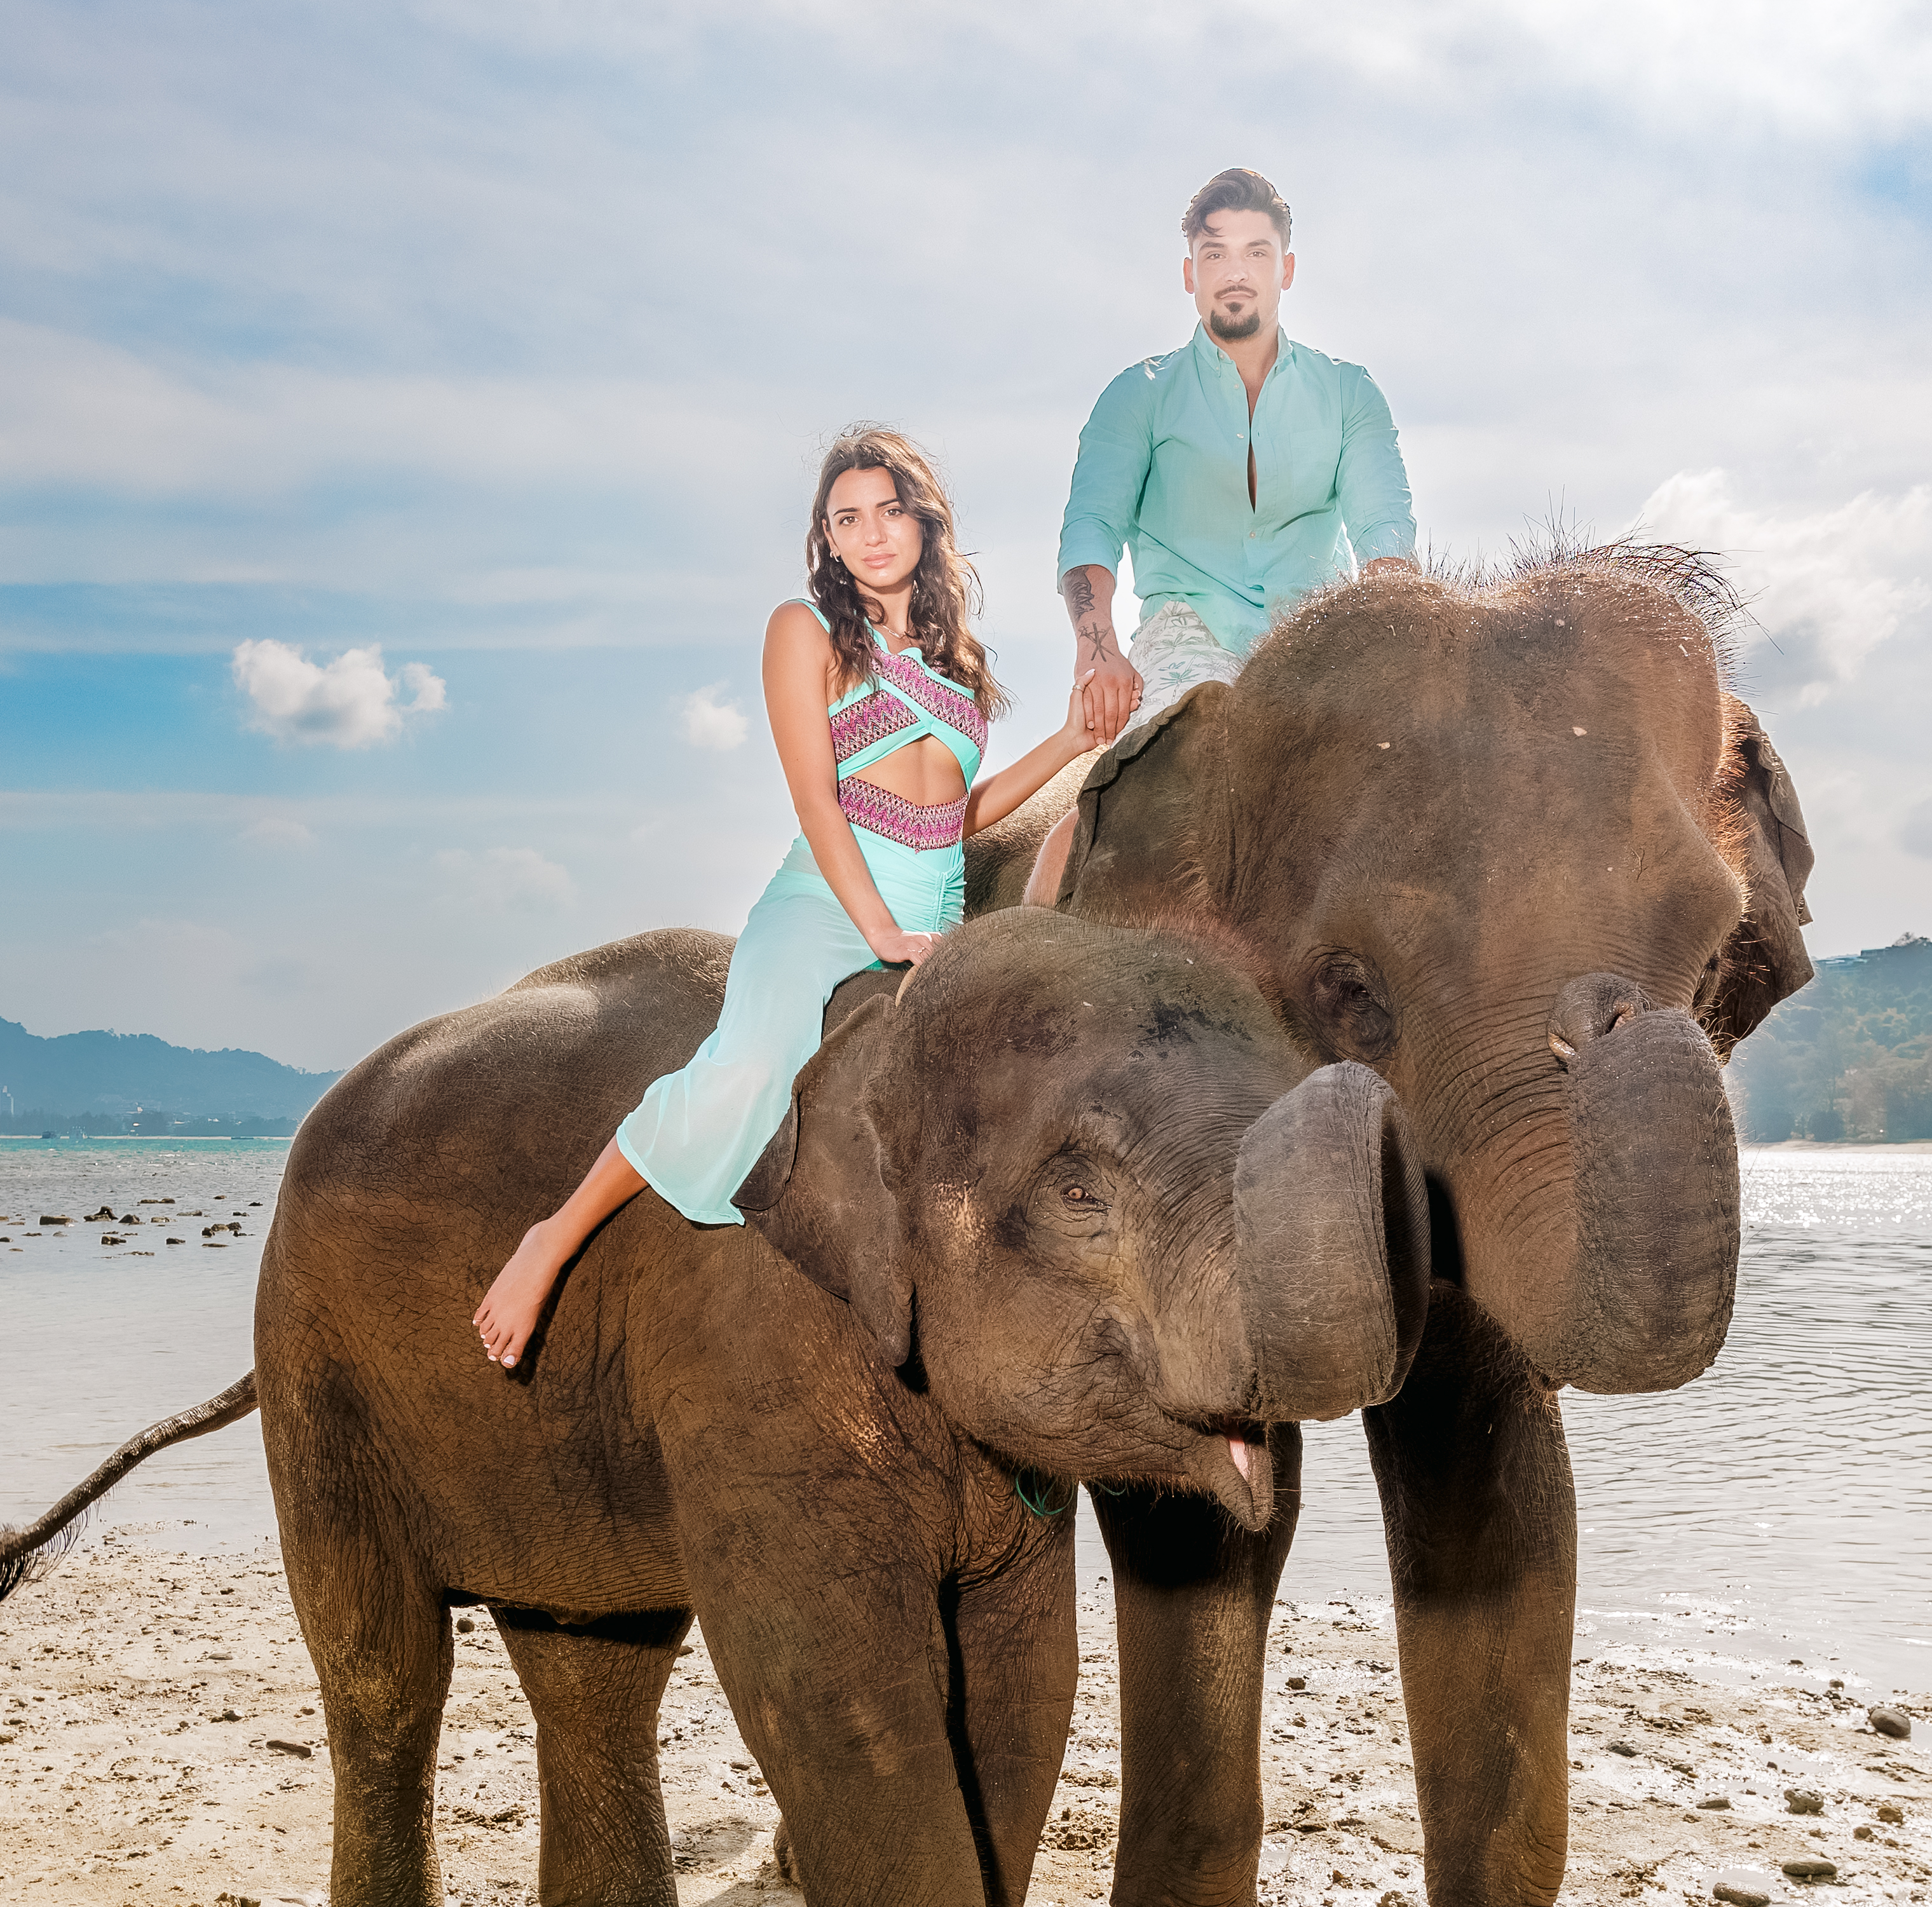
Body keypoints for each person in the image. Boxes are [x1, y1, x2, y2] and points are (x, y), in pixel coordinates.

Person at [472, 425, 1113, 1368]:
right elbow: (816, 798)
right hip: (827, 899)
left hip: (933, 909)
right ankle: (552, 1237)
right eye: (846, 518)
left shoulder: (955, 664)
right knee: (745, 1068)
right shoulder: (803, 630)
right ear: (827, 536)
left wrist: (1067, 741)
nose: (871, 534)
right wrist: (877, 930)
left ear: (923, 525)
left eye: (889, 511)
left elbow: (955, 813)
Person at [1030, 166, 1421, 906]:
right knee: (1160, 777)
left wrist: (1394, 646)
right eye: (1215, 255)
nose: (1234, 273)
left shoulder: (1348, 394)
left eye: (1255, 253)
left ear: (1287, 269)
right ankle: (1026, 958)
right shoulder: (1137, 395)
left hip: (1314, 646)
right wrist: (1097, 647)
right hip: (1186, 636)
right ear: (1190, 274)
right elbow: (1091, 528)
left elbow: (1384, 533)